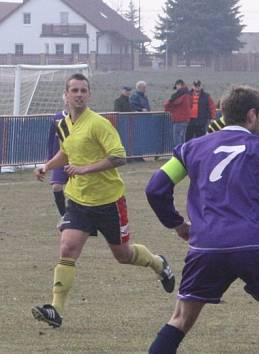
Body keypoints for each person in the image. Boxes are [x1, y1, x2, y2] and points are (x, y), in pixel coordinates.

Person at [145, 85, 259, 353]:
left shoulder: (191, 148)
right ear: (252, 115)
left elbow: (155, 188)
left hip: (206, 246)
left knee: (180, 319)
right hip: (254, 244)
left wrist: (177, 224)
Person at [32, 73, 176, 329]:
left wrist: (85, 169)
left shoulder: (99, 124)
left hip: (109, 200)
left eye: (83, 90)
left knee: (123, 254)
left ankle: (158, 263)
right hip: (78, 200)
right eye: (74, 90)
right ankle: (55, 309)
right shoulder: (63, 124)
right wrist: (47, 165)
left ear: (89, 95)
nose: (78, 94)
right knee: (67, 248)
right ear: (66, 95)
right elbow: (66, 152)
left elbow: (119, 157)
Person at [46, 96, 69, 216]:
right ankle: (64, 216)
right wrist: (49, 161)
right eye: (66, 97)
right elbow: (51, 140)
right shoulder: (57, 117)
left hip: (77, 160)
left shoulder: (83, 118)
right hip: (59, 160)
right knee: (56, 187)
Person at [164, 79, 192, 146]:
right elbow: (191, 105)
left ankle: (178, 154)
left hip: (179, 119)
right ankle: (183, 153)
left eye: (176, 86)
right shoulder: (189, 94)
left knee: (177, 138)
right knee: (182, 137)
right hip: (186, 119)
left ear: (179, 85)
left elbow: (173, 103)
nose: (176, 89)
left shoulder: (180, 95)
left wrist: (166, 103)